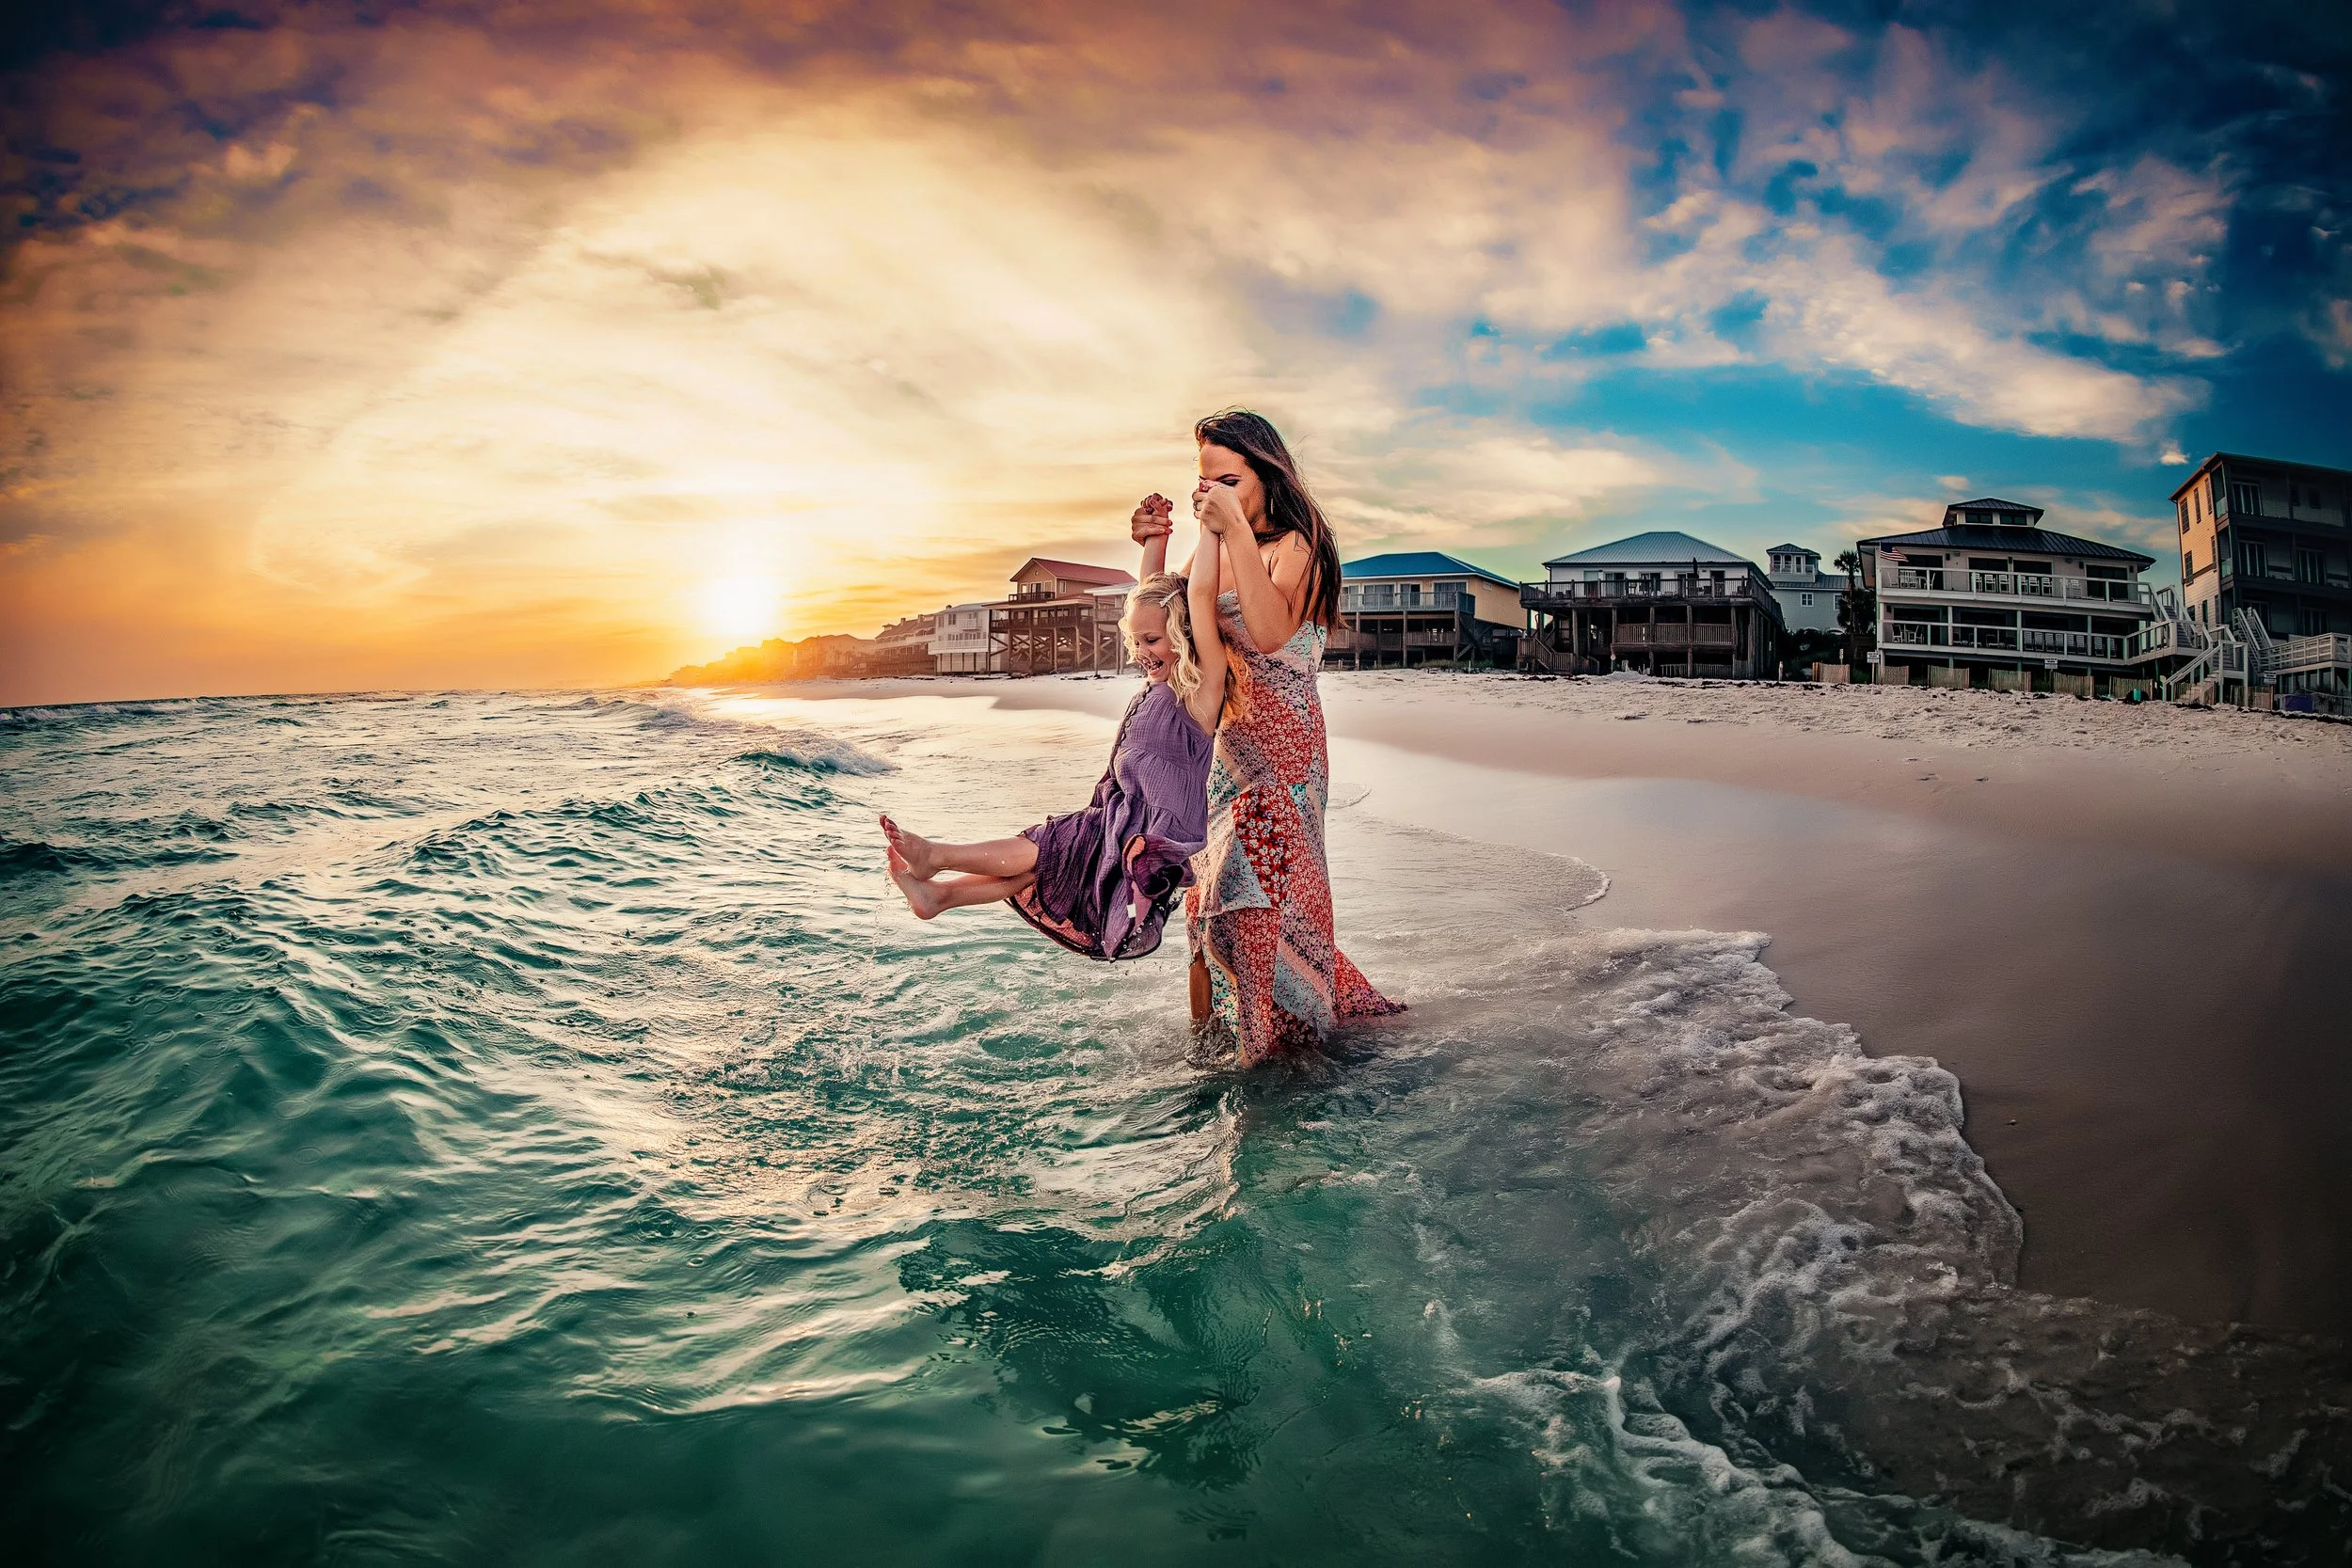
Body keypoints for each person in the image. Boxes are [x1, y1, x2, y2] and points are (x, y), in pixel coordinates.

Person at [880, 496, 1238, 961]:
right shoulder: (1157, 683)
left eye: (1152, 640)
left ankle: (939, 858)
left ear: (1185, 633)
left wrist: (1211, 527)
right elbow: (1154, 592)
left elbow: (1198, 597)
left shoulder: (1198, 692)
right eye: (1135, 640)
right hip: (1113, 817)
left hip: (1145, 837)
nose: (1142, 651)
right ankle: (939, 896)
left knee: (1044, 846)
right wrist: (1156, 537)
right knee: (1047, 863)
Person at [1182, 409, 1402, 1063]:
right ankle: (1214, 1046)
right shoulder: (1219, 542)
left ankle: (1272, 1054)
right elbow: (1188, 623)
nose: (1212, 493)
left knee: (1255, 897)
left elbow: (1272, 628)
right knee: (1208, 907)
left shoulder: (1297, 544)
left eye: (1227, 479)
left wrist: (1233, 532)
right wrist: (1160, 544)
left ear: (1265, 472)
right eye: (1204, 481)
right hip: (1228, 755)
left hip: (1286, 756)